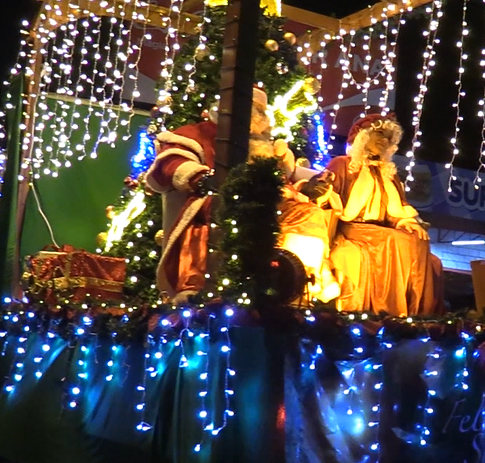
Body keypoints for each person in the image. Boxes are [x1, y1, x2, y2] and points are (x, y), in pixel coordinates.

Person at [144, 87, 334, 304]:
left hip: (268, 204)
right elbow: (170, 164)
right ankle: (199, 290)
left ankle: (295, 287)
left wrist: (304, 188)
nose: (258, 117)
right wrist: (202, 178)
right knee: (232, 215)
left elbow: (282, 180)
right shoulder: (196, 135)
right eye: (254, 110)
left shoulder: (265, 144)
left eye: (262, 111)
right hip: (219, 200)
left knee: (309, 214)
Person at [325, 111, 444, 317]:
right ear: (364, 135)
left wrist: (407, 222)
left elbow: (398, 209)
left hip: (381, 229)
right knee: (394, 241)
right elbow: (329, 198)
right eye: (379, 134)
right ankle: (388, 311)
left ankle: (418, 313)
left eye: (388, 138)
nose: (384, 140)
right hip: (353, 228)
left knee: (418, 239)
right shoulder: (343, 164)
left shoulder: (389, 173)